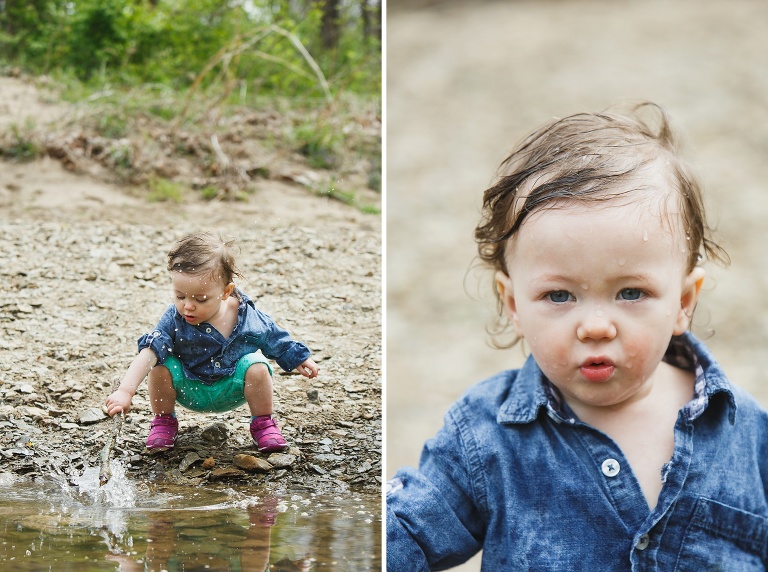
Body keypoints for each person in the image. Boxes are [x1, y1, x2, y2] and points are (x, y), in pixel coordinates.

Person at [386, 102, 768, 570]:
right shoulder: (485, 436)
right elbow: (403, 536)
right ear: (513, 306)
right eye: (559, 296)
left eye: (631, 292)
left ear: (683, 302)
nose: (594, 326)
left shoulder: (745, 432)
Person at [105, 231, 319, 453]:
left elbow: (274, 338)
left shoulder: (245, 316)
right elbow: (148, 353)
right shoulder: (174, 319)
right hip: (189, 388)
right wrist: (125, 392)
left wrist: (298, 358)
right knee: (161, 363)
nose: (188, 306)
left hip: (230, 388)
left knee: (256, 364)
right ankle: (164, 421)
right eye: (180, 296)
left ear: (226, 292)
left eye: (200, 299)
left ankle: (263, 424)